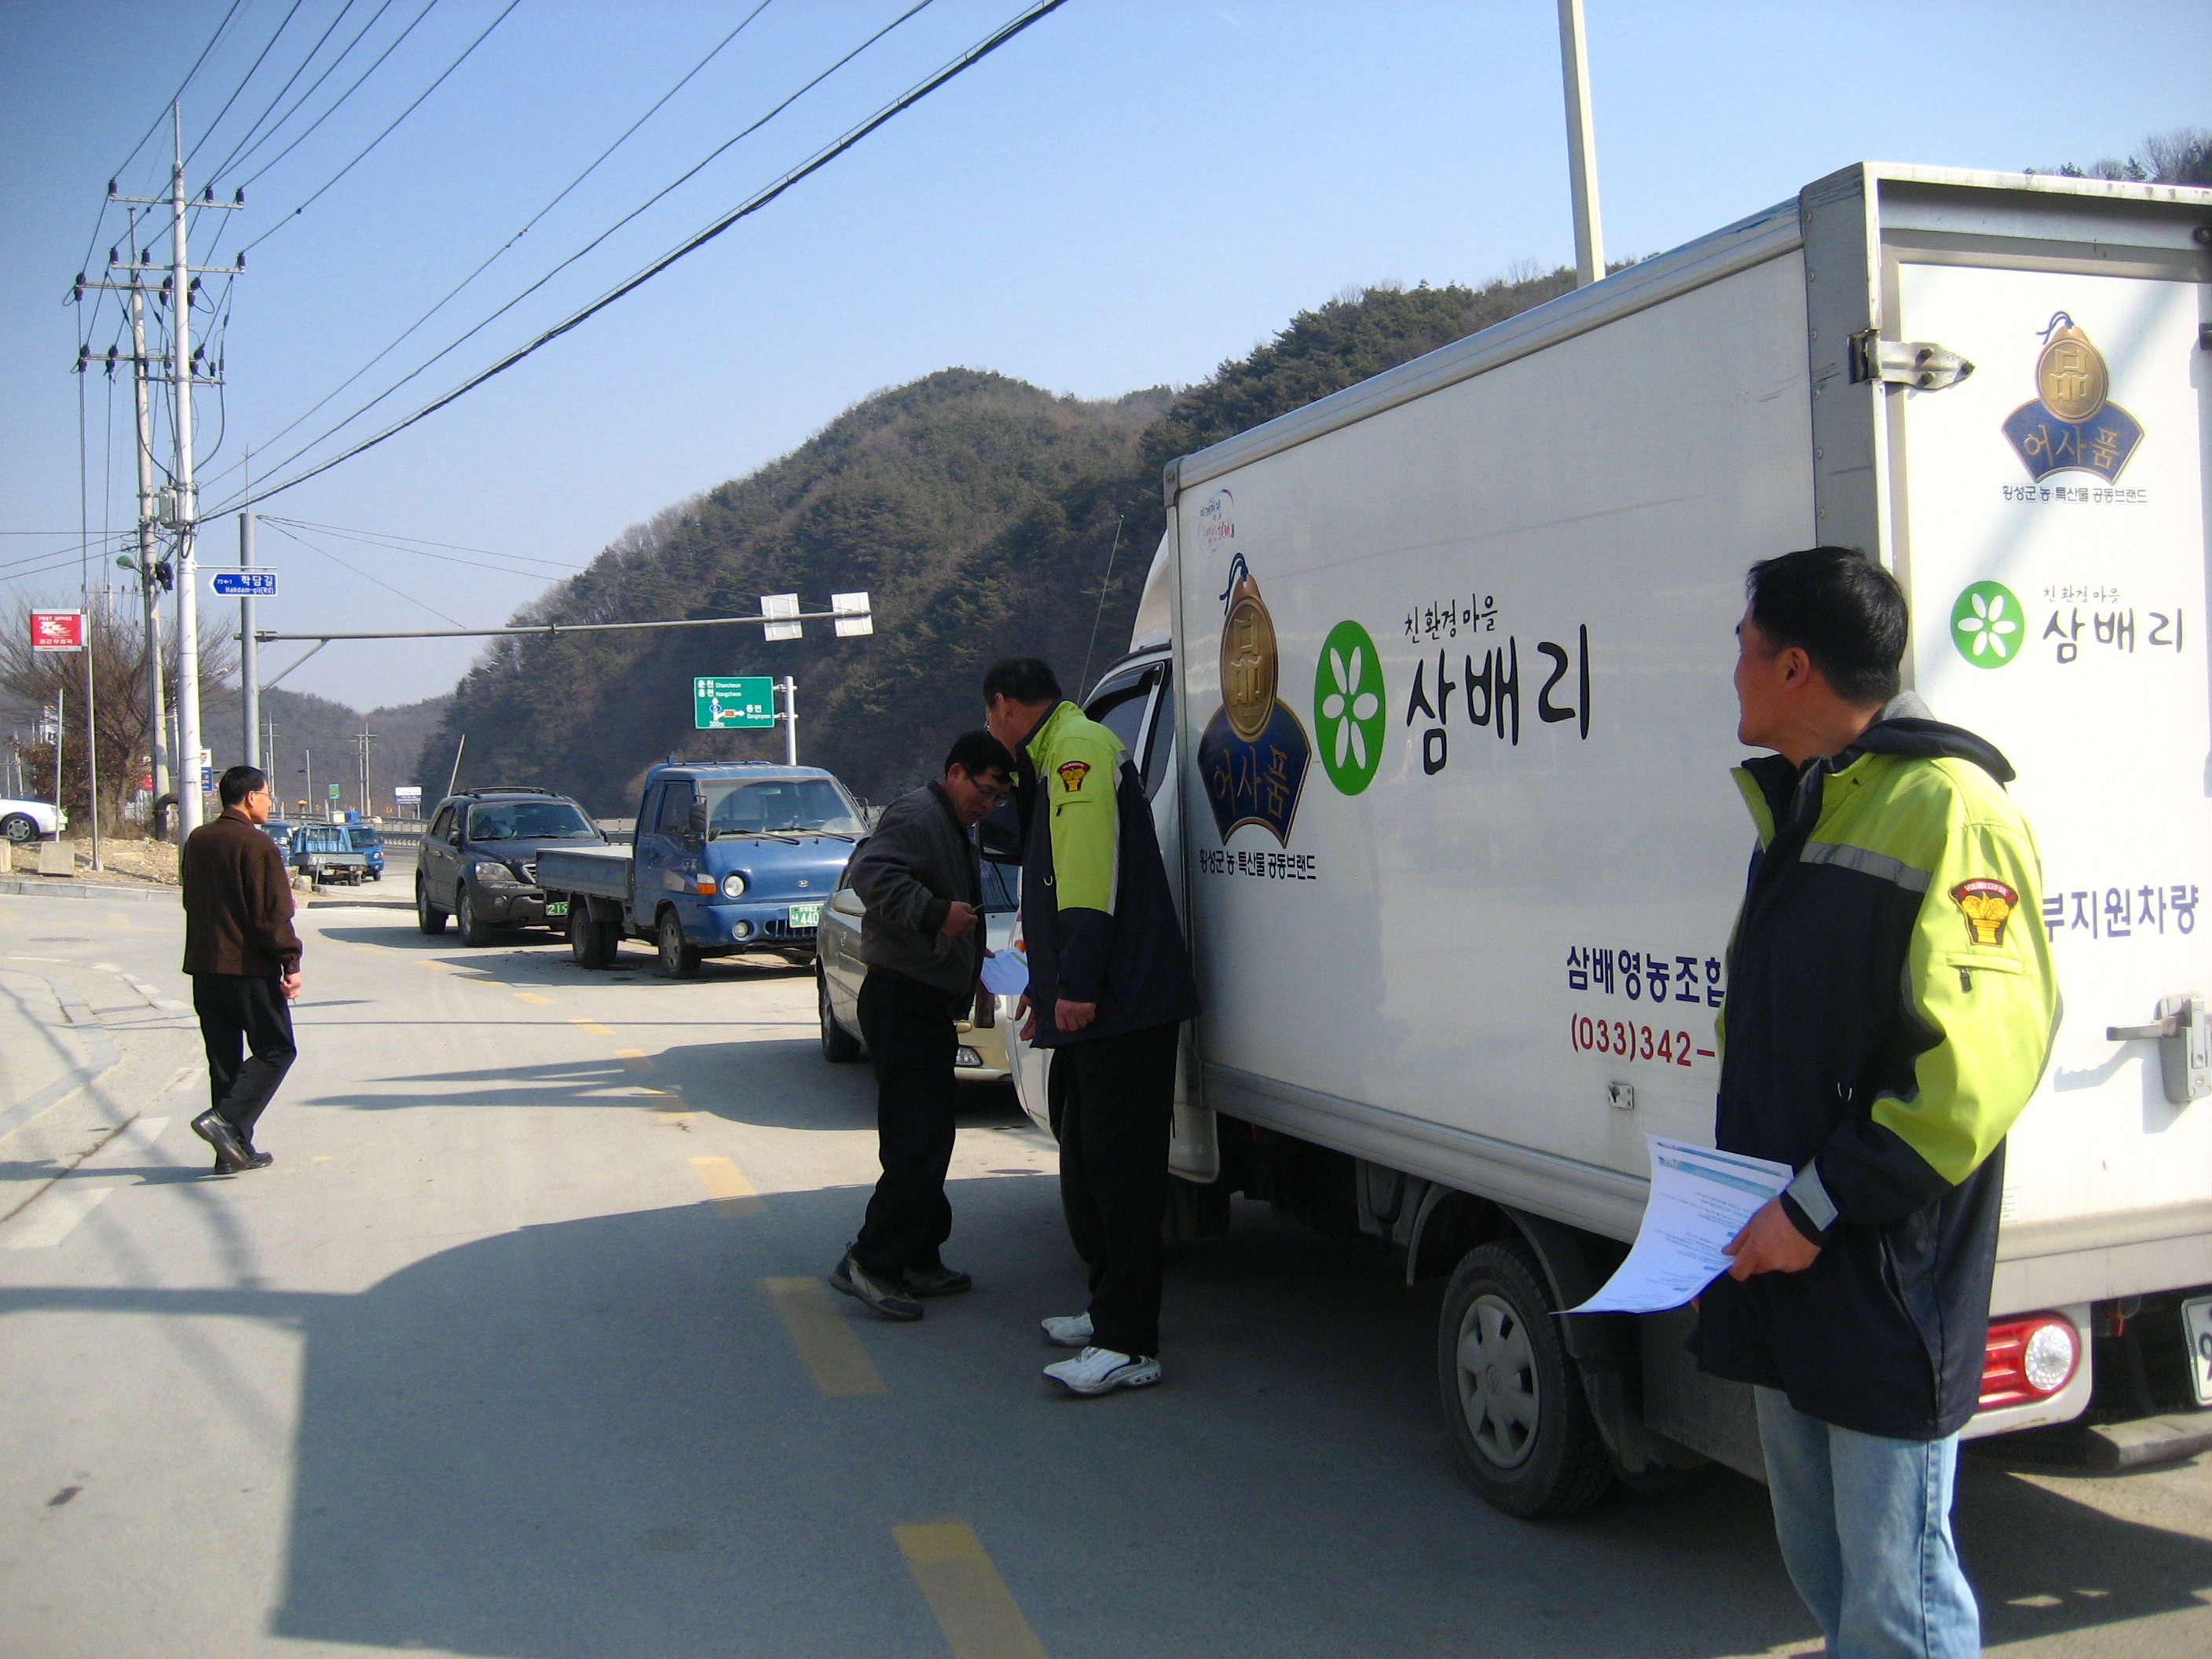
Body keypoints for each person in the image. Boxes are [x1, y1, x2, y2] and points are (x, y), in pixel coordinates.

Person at [1698, 548, 2057, 1658]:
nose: (1732, 669)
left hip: (1879, 1266)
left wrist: (1816, 1205)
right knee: (1825, 1566)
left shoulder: (1950, 808)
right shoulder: (1808, 799)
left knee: (1898, 1599)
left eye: (1743, 647)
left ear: (1793, 667)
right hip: (1782, 1249)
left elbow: (1974, 1068)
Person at [983, 657, 1200, 1397]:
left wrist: (1075, 985)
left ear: (1005, 705)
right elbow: (1055, 888)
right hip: (1098, 1002)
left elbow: (1086, 877)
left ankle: (1129, 1343)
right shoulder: (1056, 753)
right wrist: (1045, 987)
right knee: (1088, 1161)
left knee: (1123, 1174)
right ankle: (1108, 1309)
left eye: (990, 717)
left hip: (1121, 1005)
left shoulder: (1076, 749)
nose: (992, 730)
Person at [830, 731, 1015, 1320]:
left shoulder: (953, 824)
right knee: (917, 1139)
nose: (987, 805)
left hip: (926, 1000)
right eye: (984, 791)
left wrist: (972, 957)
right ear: (955, 772)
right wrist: (935, 914)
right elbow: (870, 875)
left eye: (998, 799)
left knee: (931, 1135)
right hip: (901, 999)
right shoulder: (916, 815)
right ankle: (872, 1261)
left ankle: (918, 1256)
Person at [181, 765, 305, 1174]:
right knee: (276, 1049)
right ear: (251, 797)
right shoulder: (256, 844)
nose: (269, 802)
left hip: (204, 966)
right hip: (247, 968)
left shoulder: (198, 840)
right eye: (267, 795)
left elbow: (190, 900)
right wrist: (290, 962)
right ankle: (226, 1121)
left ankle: (231, 1153)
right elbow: (272, 914)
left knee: (224, 1060)